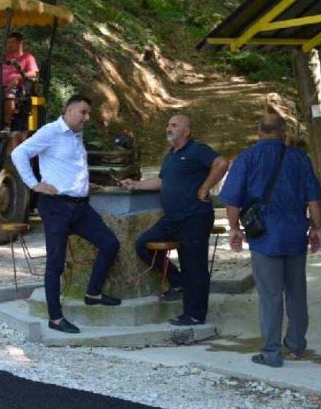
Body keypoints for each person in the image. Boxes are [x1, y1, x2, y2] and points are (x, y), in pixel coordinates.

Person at [219, 113, 321, 368]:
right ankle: (296, 344)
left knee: (270, 295)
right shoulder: (299, 158)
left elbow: (232, 200)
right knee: (297, 292)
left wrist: (234, 229)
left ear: (259, 133)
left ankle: (271, 353)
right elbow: (314, 199)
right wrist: (317, 228)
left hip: (264, 236)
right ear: (284, 133)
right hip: (295, 235)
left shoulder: (246, 158)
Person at [11, 94, 121, 334]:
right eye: (83, 112)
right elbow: (18, 153)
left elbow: (69, 165)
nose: (87, 118)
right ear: (69, 110)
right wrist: (34, 184)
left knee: (110, 244)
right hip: (56, 206)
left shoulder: (75, 135)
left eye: (88, 113)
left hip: (80, 206)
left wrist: (83, 184)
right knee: (55, 263)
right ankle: (55, 318)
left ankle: (93, 293)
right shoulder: (50, 132)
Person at [121, 114, 228, 326]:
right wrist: (136, 185)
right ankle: (177, 281)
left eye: (174, 125)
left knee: (194, 266)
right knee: (143, 245)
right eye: (168, 125)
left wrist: (205, 188)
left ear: (187, 132)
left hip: (194, 217)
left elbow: (221, 163)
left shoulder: (197, 149)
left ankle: (194, 315)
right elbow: (162, 181)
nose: (168, 128)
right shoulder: (171, 155)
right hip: (173, 218)